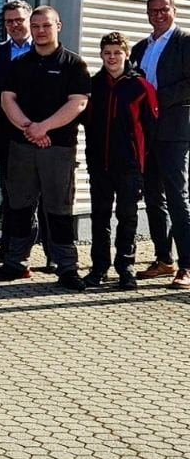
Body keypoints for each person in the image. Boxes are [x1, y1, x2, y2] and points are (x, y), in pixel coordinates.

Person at [0, 6, 91, 290]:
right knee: (19, 207)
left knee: (58, 209)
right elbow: (7, 99)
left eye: (46, 25)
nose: (40, 31)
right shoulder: (20, 64)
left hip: (59, 149)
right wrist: (29, 128)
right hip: (21, 147)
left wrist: (43, 128)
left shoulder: (73, 64)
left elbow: (78, 103)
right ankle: (16, 263)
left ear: (58, 26)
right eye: (35, 26)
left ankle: (67, 268)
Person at [83, 32, 157, 289]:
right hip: (99, 165)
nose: (112, 57)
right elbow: (85, 122)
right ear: (101, 55)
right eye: (107, 53)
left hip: (129, 166)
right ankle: (99, 268)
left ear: (126, 55)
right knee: (99, 217)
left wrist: (142, 164)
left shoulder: (141, 87)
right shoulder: (93, 86)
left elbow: (151, 129)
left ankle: (126, 267)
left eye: (117, 52)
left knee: (127, 217)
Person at [0, 0, 49, 267]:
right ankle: (7, 250)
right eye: (9, 21)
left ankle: (52, 254)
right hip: (7, 136)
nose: (14, 25)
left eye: (19, 20)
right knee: (11, 195)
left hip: (42, 133)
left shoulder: (47, 49)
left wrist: (40, 127)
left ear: (29, 20)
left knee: (46, 195)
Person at [131, 0, 190, 288]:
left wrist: (156, 99)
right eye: (153, 10)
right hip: (147, 133)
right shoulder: (140, 47)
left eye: (164, 9)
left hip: (175, 131)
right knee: (154, 197)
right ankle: (163, 259)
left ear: (174, 11)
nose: (158, 14)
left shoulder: (185, 43)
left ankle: (187, 265)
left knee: (178, 197)